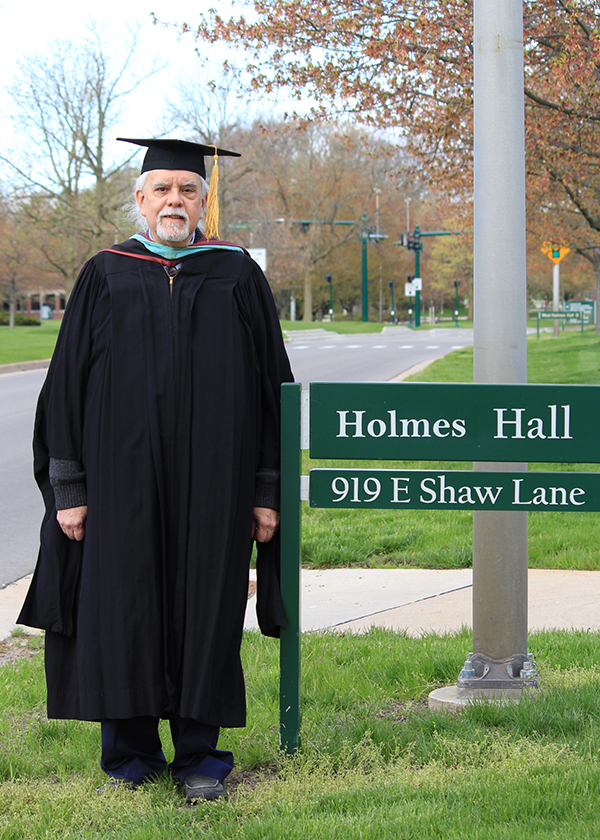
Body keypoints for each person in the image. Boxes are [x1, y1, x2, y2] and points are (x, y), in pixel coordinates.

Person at [18, 137, 294, 802]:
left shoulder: (235, 274)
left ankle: (202, 756)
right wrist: (70, 490)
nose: (176, 200)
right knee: (125, 610)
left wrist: (264, 491)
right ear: (140, 199)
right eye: (162, 189)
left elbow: (270, 393)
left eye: (188, 190)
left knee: (209, 608)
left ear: (204, 201)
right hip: (118, 488)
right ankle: (132, 755)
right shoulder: (104, 272)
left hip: (217, 488)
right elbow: (65, 392)